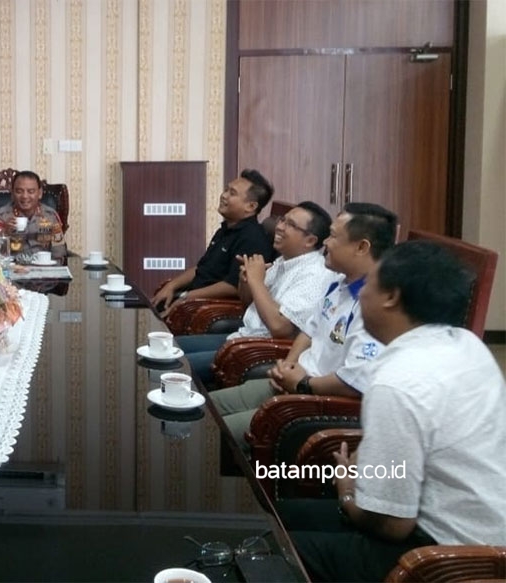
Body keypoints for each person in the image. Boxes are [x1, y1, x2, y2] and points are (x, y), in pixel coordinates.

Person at [278, 241, 506, 582]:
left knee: (271, 550)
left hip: (442, 558)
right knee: (277, 516)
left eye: (368, 283)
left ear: (391, 296)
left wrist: (347, 491)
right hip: (487, 533)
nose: (360, 293)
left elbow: (392, 525)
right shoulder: (467, 344)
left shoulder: (398, 381)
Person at [210, 202, 397, 447]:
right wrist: (288, 366)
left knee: (210, 436)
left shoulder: (376, 306)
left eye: (333, 236)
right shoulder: (337, 283)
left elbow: (353, 381)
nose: (326, 243)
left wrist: (302, 383)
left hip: (315, 400)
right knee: (201, 407)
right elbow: (309, 331)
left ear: (361, 247)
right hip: (292, 382)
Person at [179, 201, 335, 385]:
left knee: (174, 365)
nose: (279, 227)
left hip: (257, 350)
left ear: (310, 240)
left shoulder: (315, 274)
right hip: (242, 337)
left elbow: (280, 328)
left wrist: (256, 281)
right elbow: (249, 305)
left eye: (290, 225)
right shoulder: (283, 262)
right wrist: (246, 281)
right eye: (282, 220)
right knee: (171, 346)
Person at [151, 169, 276, 319]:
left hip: (209, 307)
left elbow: (232, 286)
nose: (224, 195)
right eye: (226, 190)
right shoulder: (225, 229)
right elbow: (202, 268)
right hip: (193, 297)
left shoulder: (252, 238)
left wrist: (186, 297)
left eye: (232, 193)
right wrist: (171, 286)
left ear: (250, 206)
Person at [0, 170, 67, 259]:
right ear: (12, 193)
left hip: (42, 265)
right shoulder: (1, 215)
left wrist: (53, 265)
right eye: (19, 191)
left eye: (31, 191)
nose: (25, 196)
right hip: (13, 265)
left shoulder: (50, 215)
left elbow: (59, 250)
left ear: (39, 193)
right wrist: (4, 232)